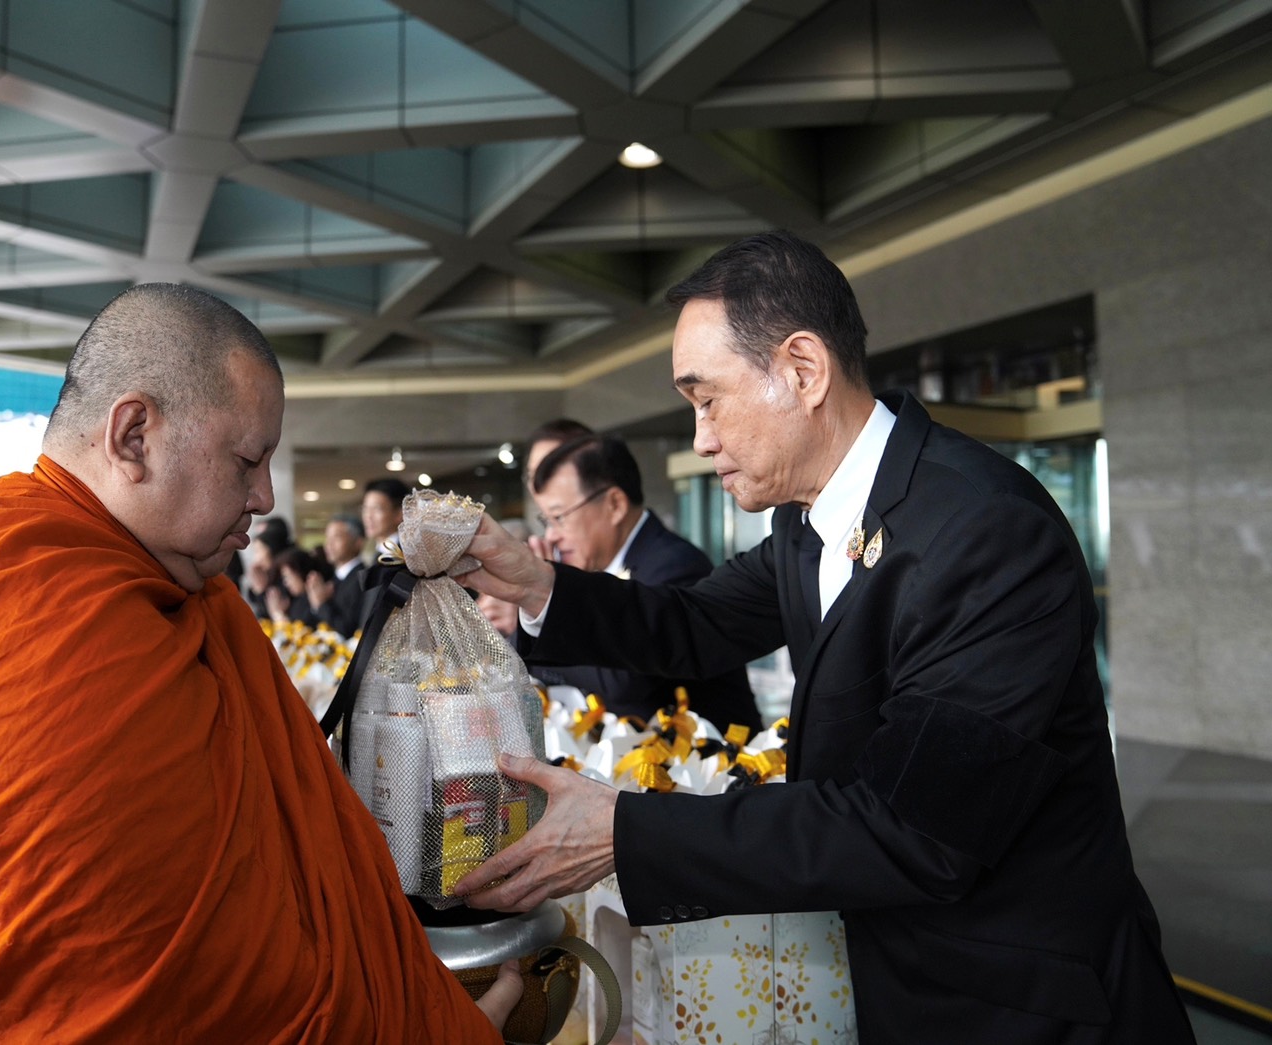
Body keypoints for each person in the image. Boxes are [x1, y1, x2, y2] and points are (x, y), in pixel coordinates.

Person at [452, 231, 1193, 1044]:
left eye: (707, 400)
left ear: (803, 369)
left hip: (1016, 1001)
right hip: (894, 967)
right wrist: (537, 584)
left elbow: (912, 828)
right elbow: (697, 621)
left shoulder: (985, 530)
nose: (699, 439)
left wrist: (624, 830)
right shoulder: (809, 523)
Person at [0, 283, 517, 1043]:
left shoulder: (187, 594)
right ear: (133, 436)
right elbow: (159, 961)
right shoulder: (7, 583)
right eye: (247, 460)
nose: (264, 497)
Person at [528, 434, 761, 732]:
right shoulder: (595, 566)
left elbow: (622, 681)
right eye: (546, 521)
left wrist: (548, 612)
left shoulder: (674, 564)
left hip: (712, 753)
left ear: (614, 504)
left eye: (559, 517)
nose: (551, 536)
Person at [308, 514, 367, 636]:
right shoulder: (333, 579)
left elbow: (348, 629)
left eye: (336, 538)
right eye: (327, 538)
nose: (329, 544)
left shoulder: (363, 579)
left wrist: (321, 605)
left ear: (358, 542)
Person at [360, 476, 410, 563]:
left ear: (399, 514)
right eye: (366, 508)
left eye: (376, 509)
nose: (368, 516)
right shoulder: (375, 553)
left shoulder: (407, 557)